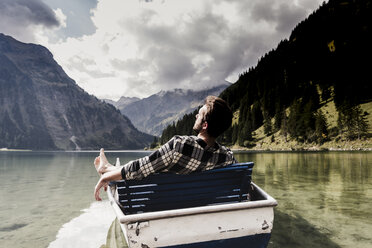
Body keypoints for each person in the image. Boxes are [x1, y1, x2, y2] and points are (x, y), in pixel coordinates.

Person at [94, 95, 237, 201]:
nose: (195, 116)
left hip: (156, 206)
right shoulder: (227, 157)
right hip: (196, 205)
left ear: (204, 125)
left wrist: (107, 177)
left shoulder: (179, 146)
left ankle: (106, 169)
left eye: (199, 115)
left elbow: (139, 169)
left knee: (144, 168)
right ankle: (107, 167)